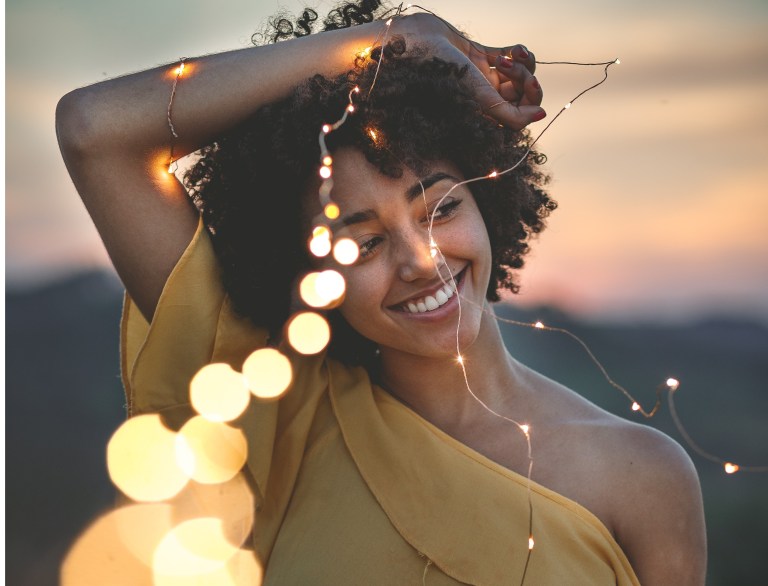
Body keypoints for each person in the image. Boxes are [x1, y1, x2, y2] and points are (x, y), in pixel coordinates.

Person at [56, 1, 706, 583]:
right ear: (306, 268)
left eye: (441, 207)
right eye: (364, 243)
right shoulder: (278, 419)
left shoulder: (643, 476)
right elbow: (95, 128)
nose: (421, 260)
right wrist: (397, 38)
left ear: (489, 199)